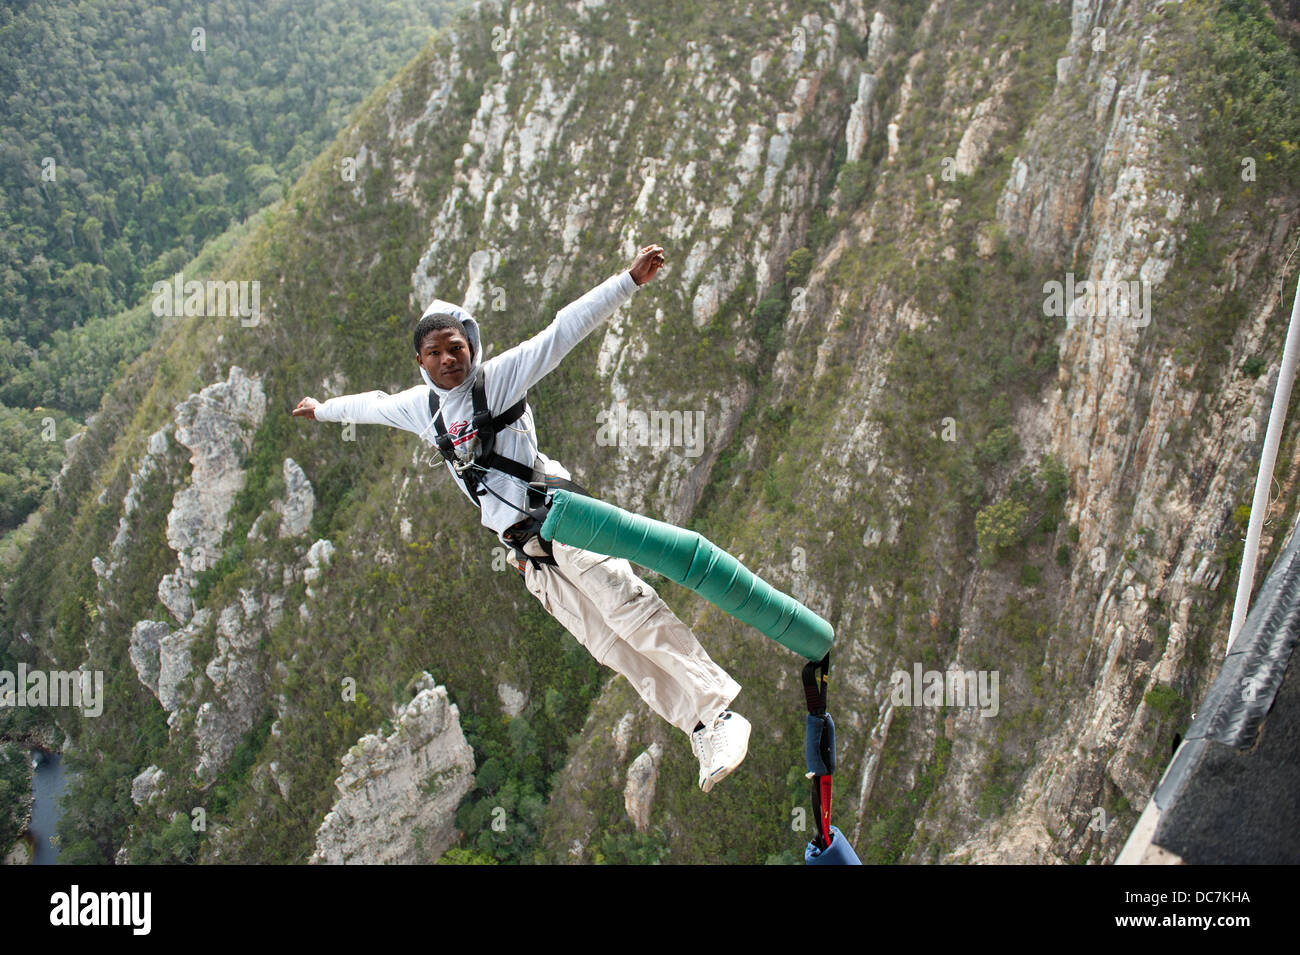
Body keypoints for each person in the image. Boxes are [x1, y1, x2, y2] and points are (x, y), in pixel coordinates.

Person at [292, 244, 750, 792]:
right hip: (527, 552)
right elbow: (368, 405)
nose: (448, 360)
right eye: (435, 353)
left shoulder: (499, 379)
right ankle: (699, 725)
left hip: (559, 516)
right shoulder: (422, 408)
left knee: (627, 609)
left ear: (470, 346)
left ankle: (721, 712)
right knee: (611, 645)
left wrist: (627, 281)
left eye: (456, 347)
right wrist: (322, 409)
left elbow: (562, 332)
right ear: (421, 361)